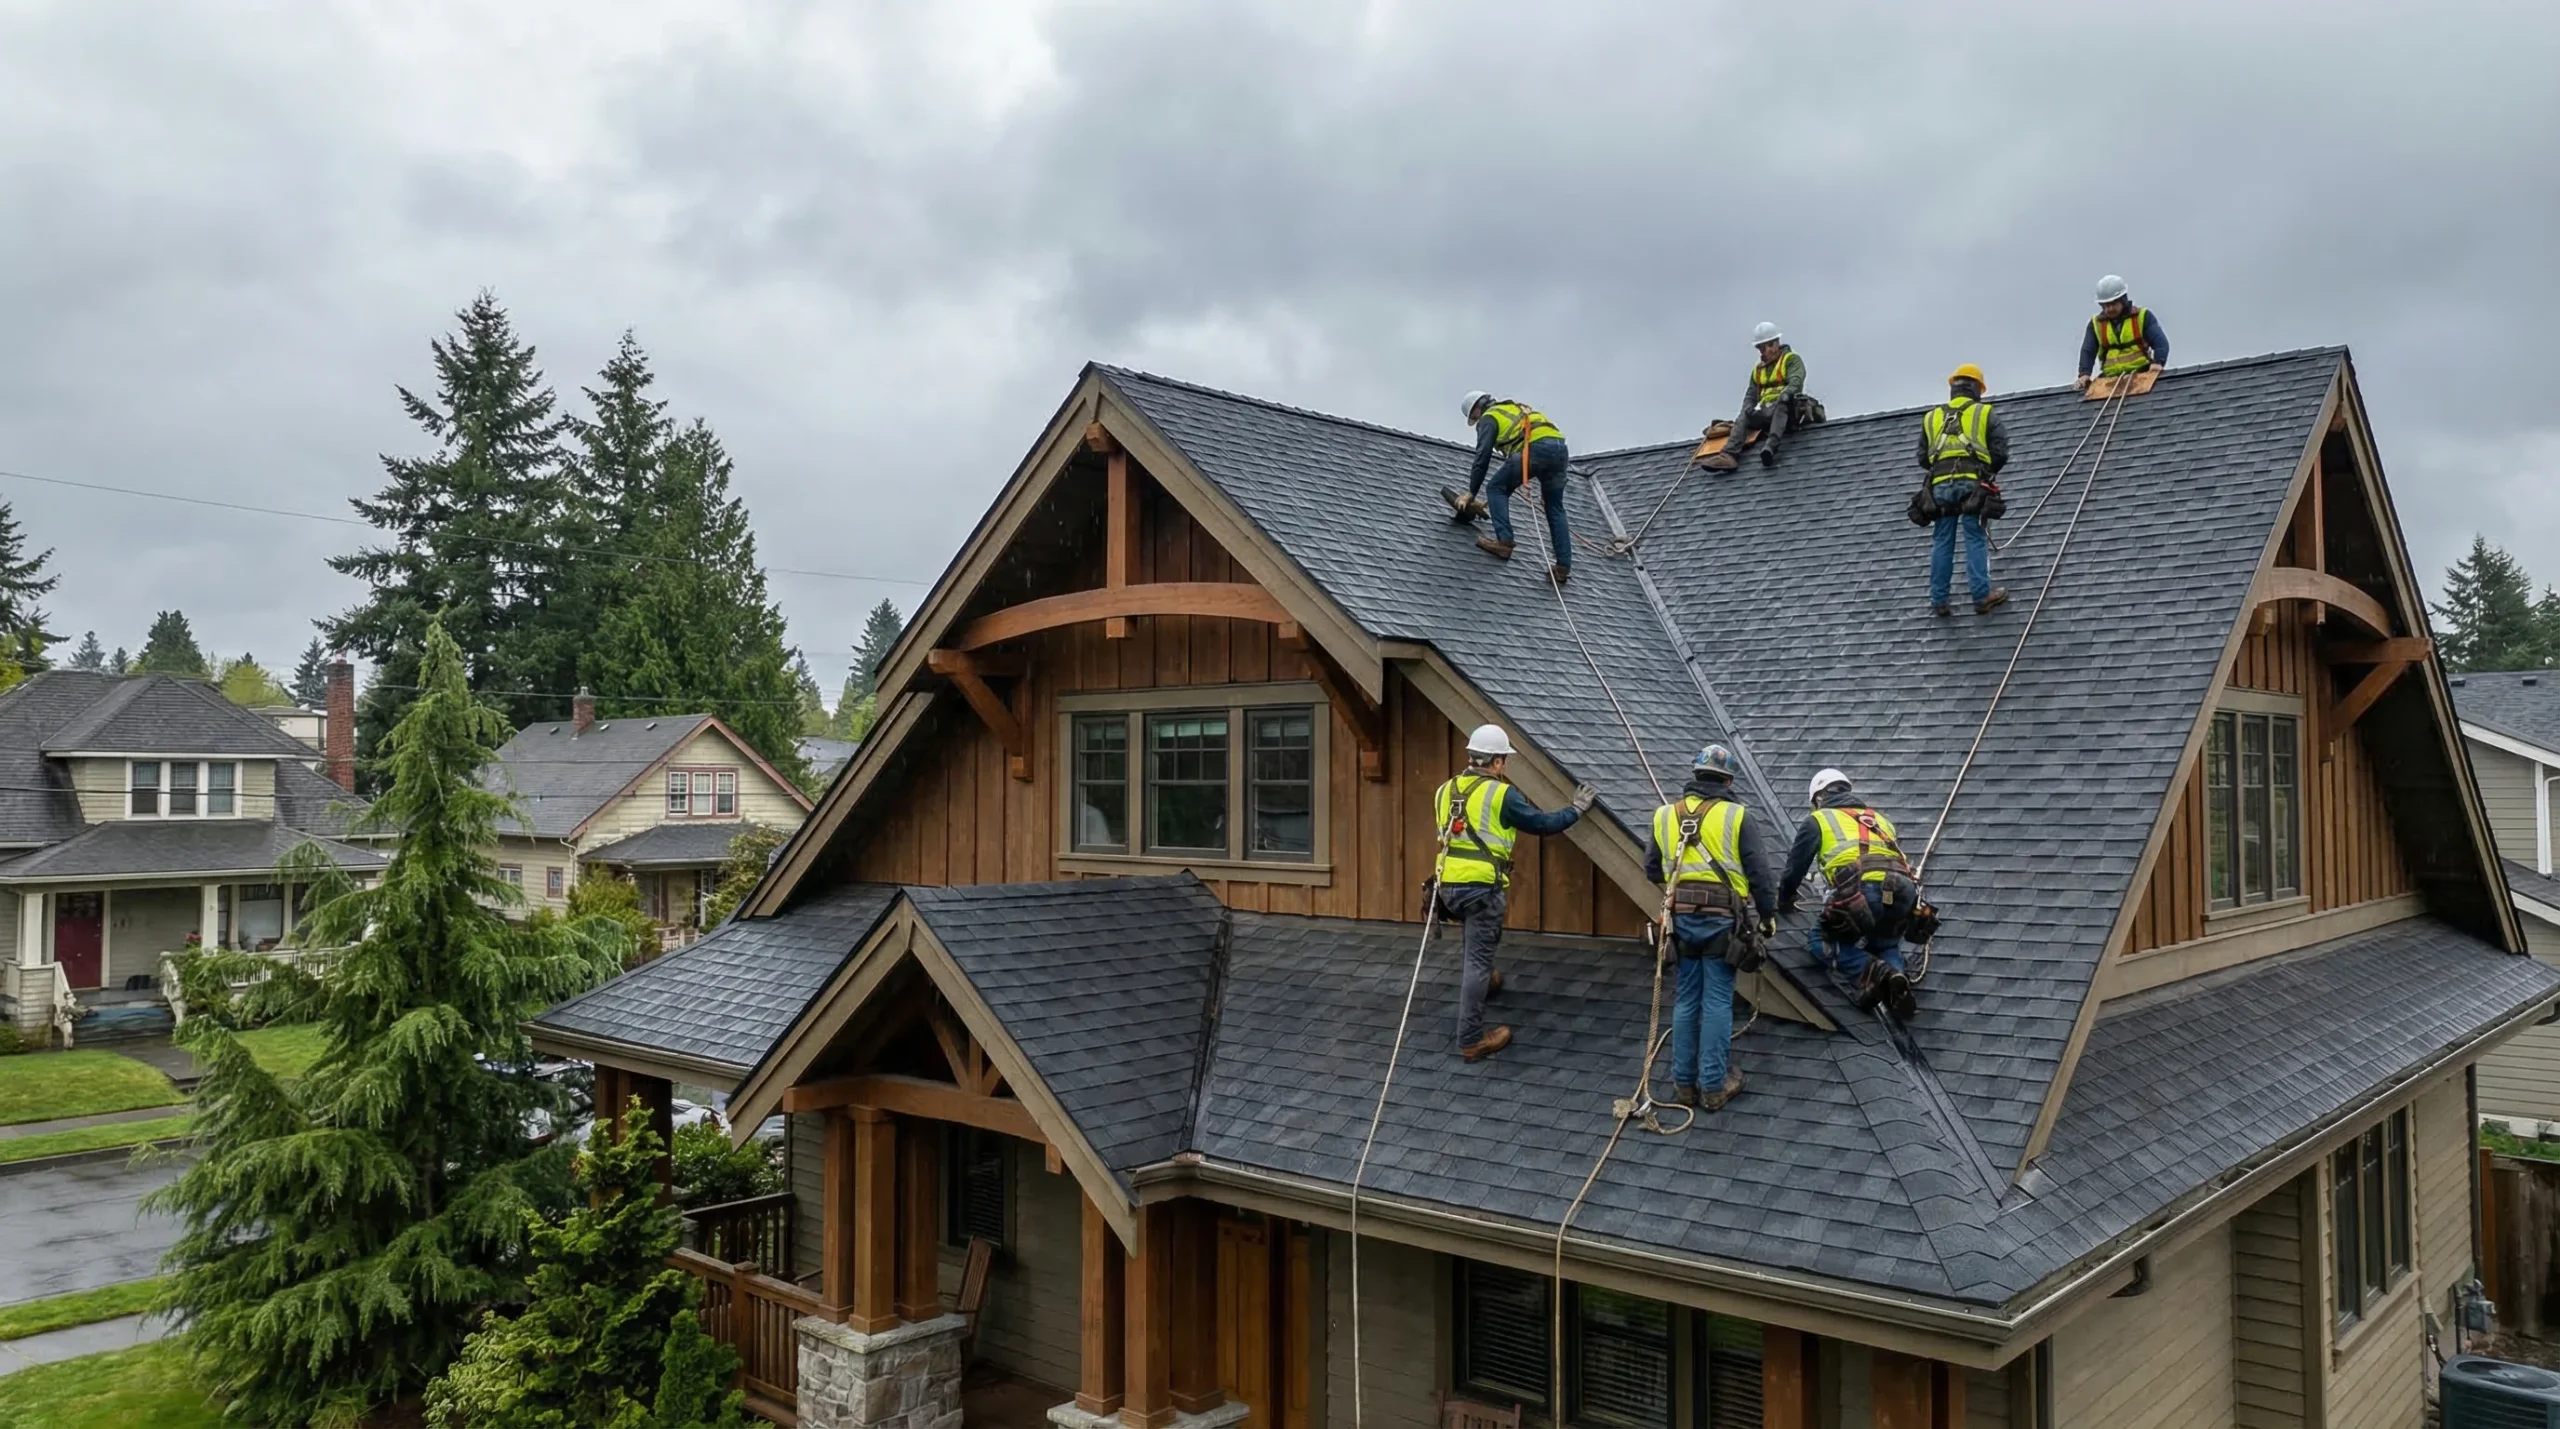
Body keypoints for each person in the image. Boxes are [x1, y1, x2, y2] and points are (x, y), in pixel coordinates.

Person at [1431, 723, 1596, 1060]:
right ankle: (1471, 1040)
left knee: (1475, 951)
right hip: (1481, 889)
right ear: (1497, 762)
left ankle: (1486, 982)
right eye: (1504, 760)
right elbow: (1542, 824)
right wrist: (1576, 808)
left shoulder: (1444, 790)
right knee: (1475, 963)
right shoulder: (1501, 794)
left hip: (1447, 887)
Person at [1642, 744, 1775, 1111]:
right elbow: (1760, 875)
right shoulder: (1738, 816)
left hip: (1682, 920)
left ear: (1695, 775)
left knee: (1686, 998)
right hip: (1722, 920)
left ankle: (1684, 1085)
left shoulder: (1665, 815)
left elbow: (1652, 868)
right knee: (1717, 999)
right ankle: (1714, 1086)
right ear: (1728, 780)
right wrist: (1767, 917)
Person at [1778, 768, 1922, 1020]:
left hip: (1862, 891)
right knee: (1884, 943)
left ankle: (1876, 973)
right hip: (1902, 892)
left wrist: (1785, 900)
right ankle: (1897, 982)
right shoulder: (1880, 819)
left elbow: (1795, 867)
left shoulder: (1819, 819)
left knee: (1819, 942)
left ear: (1819, 798)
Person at [1444, 391, 1574, 583]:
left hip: (1535, 448)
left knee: (1496, 488)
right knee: (1554, 507)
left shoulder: (1489, 418)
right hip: (1559, 449)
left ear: (1477, 410)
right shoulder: (1513, 408)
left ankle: (1504, 542)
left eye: (1473, 417)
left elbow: (1482, 457)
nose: (1476, 421)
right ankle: (1563, 566)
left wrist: (1471, 493)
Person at [1917, 363, 2011, 617]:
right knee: (1975, 536)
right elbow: (2000, 451)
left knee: (1942, 540)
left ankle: (1939, 601)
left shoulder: (1932, 417)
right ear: (1977, 389)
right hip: (1973, 484)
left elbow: (1923, 458)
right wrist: (1987, 473)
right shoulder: (1985, 413)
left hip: (1940, 487)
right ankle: (1981, 596)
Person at [1700, 323, 1807, 472]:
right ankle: (1728, 456)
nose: (1762, 353)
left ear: (1774, 345)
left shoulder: (1791, 360)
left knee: (1783, 403)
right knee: (1744, 415)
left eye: (1765, 348)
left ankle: (1770, 447)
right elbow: (1751, 394)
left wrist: (1782, 397)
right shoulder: (1758, 369)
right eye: (1760, 349)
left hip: (1788, 412)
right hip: (1765, 412)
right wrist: (1748, 408)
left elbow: (1796, 381)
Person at [2076, 275, 2169, 389]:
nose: (2109, 309)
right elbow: (2088, 351)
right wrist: (2084, 373)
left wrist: (2158, 362)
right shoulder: (2096, 324)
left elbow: (2160, 342)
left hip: (2142, 374)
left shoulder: (2142, 316)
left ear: (2123, 300)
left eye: (2113, 304)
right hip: (2109, 380)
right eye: (2106, 305)